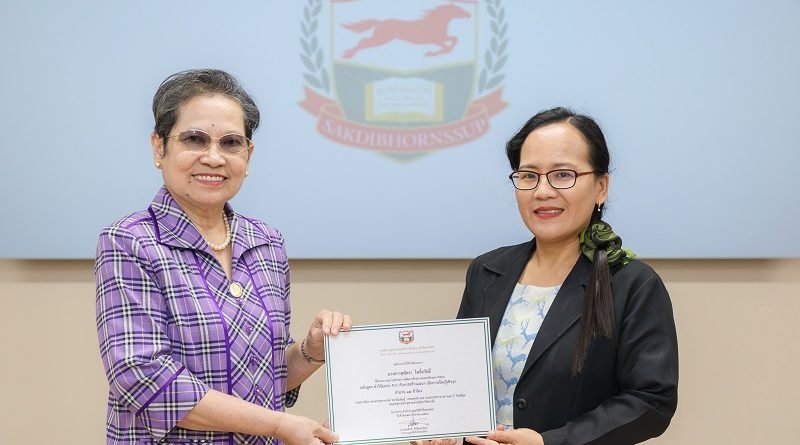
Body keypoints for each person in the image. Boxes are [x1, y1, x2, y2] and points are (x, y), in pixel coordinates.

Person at [95, 69, 350, 445]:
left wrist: (310, 352)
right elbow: (145, 380)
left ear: (248, 155)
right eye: (194, 139)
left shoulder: (266, 242)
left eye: (231, 143)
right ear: (158, 147)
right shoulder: (130, 242)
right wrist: (277, 425)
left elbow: (266, 378)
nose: (214, 158)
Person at [458, 107, 678, 445]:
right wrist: (438, 429)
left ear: (601, 186)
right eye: (528, 175)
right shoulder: (486, 271)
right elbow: (460, 380)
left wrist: (550, 442)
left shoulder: (632, 284)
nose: (542, 191)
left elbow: (651, 401)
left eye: (562, 174)